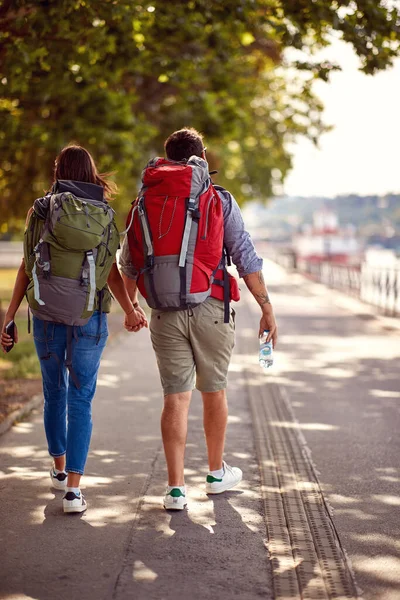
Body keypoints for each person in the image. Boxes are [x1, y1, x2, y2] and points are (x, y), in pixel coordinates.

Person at [119, 128, 277, 510]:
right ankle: (215, 473)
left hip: (163, 312)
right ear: (201, 157)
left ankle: (175, 489)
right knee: (214, 390)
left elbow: (129, 262)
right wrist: (266, 308)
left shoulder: (143, 201)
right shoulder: (218, 198)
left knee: (175, 397)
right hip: (213, 307)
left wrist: (131, 307)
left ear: (166, 157)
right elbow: (245, 258)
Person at [0, 145, 147, 514]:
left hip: (47, 314)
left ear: (58, 171)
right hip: (90, 317)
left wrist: (10, 316)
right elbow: (111, 272)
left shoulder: (41, 209)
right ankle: (74, 494)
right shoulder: (105, 216)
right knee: (80, 400)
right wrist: (130, 310)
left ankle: (60, 470)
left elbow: (25, 264)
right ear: (91, 172)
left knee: (54, 393)